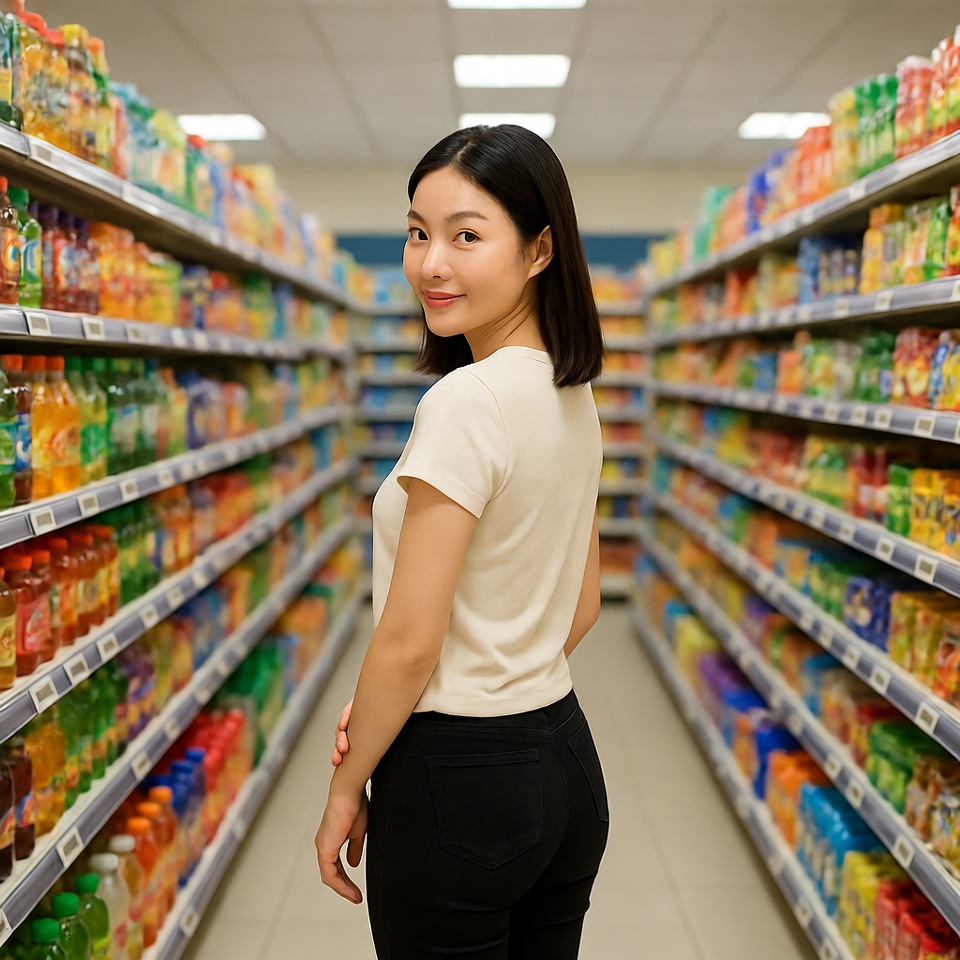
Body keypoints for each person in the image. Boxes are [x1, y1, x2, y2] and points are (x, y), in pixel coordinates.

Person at [314, 123, 608, 959]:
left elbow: (410, 643)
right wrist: (397, 707)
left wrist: (346, 786)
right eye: (418, 232)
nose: (431, 263)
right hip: (563, 761)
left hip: (458, 785)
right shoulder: (571, 390)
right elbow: (578, 605)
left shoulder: (466, 401)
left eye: (466, 236)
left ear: (540, 249)